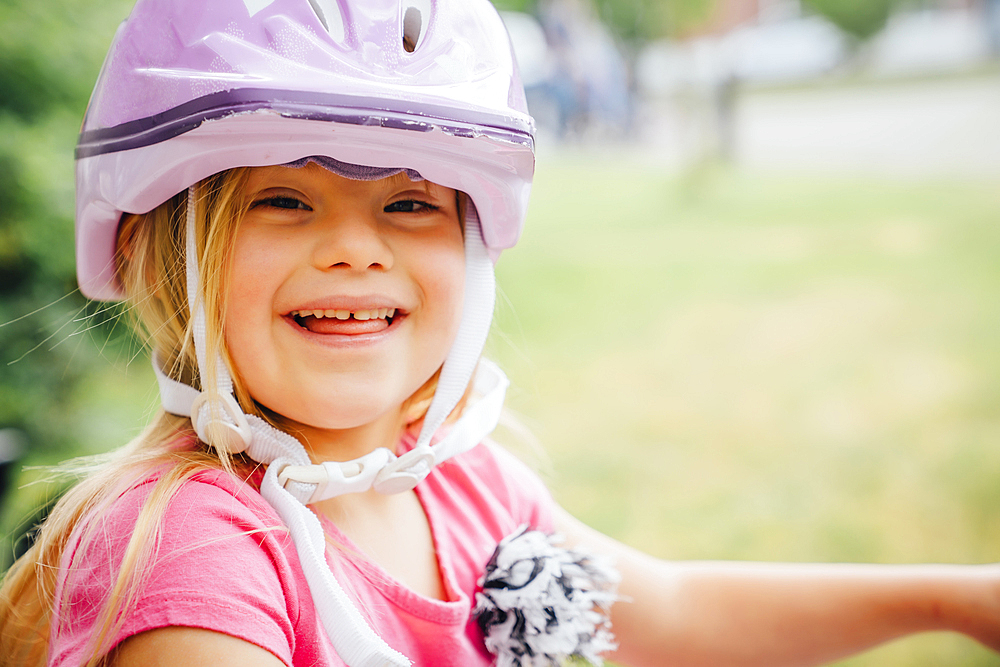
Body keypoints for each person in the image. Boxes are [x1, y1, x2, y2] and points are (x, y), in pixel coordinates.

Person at [1, 0, 999, 665]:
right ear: (155, 255)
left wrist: (955, 598)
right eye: (282, 200)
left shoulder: (452, 482)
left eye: (410, 205)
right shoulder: (190, 556)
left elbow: (674, 608)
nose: (355, 249)